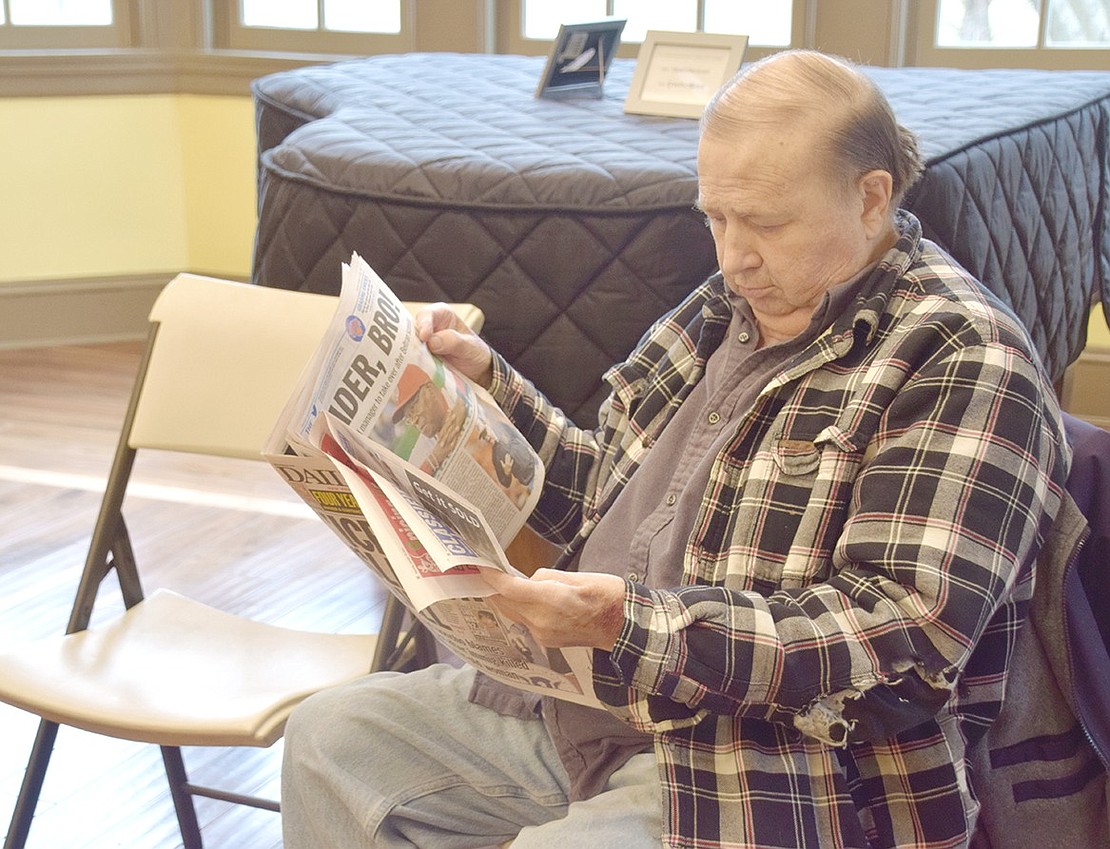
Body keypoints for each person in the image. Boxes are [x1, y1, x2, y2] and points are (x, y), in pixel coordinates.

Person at [281, 50, 1070, 849]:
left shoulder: (964, 356)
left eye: (765, 222)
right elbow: (597, 491)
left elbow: (901, 643)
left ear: (872, 198)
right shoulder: (727, 307)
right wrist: (487, 391)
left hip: (778, 775)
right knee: (333, 740)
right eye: (715, 219)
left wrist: (626, 623)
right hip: (588, 712)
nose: (733, 257)